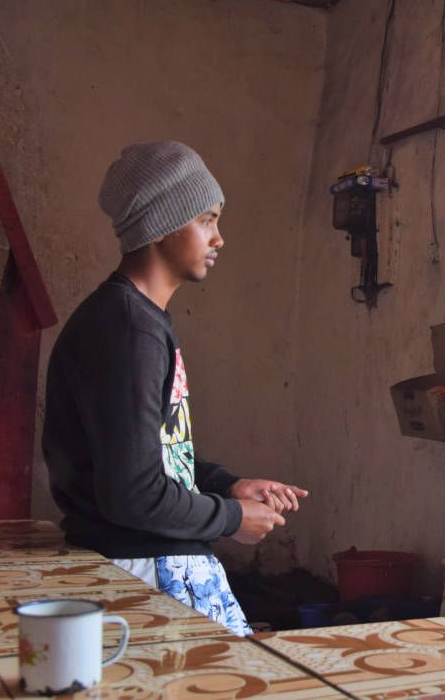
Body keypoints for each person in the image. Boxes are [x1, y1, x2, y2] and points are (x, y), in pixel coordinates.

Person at [42, 141, 307, 636]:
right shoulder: (128, 330)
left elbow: (154, 457)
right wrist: (231, 518)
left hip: (149, 559)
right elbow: (132, 494)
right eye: (207, 219)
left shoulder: (137, 320)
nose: (219, 238)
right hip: (145, 568)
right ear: (162, 224)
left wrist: (227, 484)